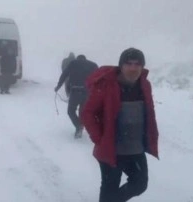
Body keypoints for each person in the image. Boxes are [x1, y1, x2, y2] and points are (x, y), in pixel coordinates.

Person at [81, 48, 159, 202]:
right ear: (121, 66)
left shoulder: (145, 85)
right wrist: (99, 138)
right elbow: (87, 113)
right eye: (128, 63)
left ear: (142, 67)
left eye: (137, 64)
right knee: (110, 187)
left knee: (140, 183)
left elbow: (149, 111)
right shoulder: (106, 84)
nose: (133, 68)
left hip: (135, 148)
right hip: (111, 148)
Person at [54, 54, 98, 138]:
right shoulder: (93, 65)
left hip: (75, 92)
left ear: (77, 58)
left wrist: (58, 86)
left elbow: (64, 75)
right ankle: (80, 126)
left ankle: (78, 126)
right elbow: (99, 77)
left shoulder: (73, 63)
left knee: (71, 111)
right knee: (82, 111)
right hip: (87, 92)